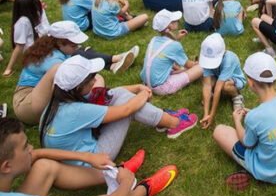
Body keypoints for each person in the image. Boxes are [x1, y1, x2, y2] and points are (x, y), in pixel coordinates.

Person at [0, 117, 179, 196]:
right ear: (6, 166)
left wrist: (86, 156)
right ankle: (142, 190)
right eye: (25, 147)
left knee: (44, 166)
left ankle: (114, 172)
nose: (31, 148)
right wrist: (125, 183)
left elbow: (37, 154)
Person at [41, 55, 198, 161]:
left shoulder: (60, 99)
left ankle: (161, 119)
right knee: (126, 103)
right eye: (91, 78)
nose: (95, 80)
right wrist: (143, 94)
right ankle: (174, 124)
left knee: (120, 96)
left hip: (75, 154)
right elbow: (126, 110)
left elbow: (107, 93)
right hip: (95, 159)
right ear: (78, 87)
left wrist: (137, 88)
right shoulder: (76, 111)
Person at [13, 21, 137, 125]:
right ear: (60, 42)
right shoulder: (54, 60)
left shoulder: (50, 47)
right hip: (28, 104)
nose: (77, 47)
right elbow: (70, 88)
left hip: (33, 98)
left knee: (93, 77)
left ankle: (98, 103)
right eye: (74, 45)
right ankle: (98, 106)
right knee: (87, 79)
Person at [212, 52, 276, 188]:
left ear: (250, 82)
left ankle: (255, 170)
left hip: (269, 172)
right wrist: (252, 115)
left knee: (219, 131)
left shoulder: (254, 117)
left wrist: (237, 120)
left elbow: (247, 143)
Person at [140, 9, 203, 96]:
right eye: (175, 20)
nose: (177, 21)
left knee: (172, 64)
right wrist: (196, 63)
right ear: (170, 25)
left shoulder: (153, 40)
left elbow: (165, 49)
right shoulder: (175, 46)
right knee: (201, 67)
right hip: (161, 88)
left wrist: (176, 38)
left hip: (146, 82)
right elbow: (189, 65)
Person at [199, 33, 246, 130]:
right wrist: (206, 114)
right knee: (206, 80)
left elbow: (218, 89)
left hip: (235, 80)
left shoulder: (229, 60)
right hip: (219, 78)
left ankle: (237, 97)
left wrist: (212, 115)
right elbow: (207, 85)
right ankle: (212, 99)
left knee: (225, 86)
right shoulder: (207, 57)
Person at [3, 0, 49, 77]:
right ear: (30, 7)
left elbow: (46, 29)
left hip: (42, 47)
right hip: (35, 54)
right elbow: (19, 46)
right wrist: (8, 68)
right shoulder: (23, 22)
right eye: (36, 3)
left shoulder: (36, 13)